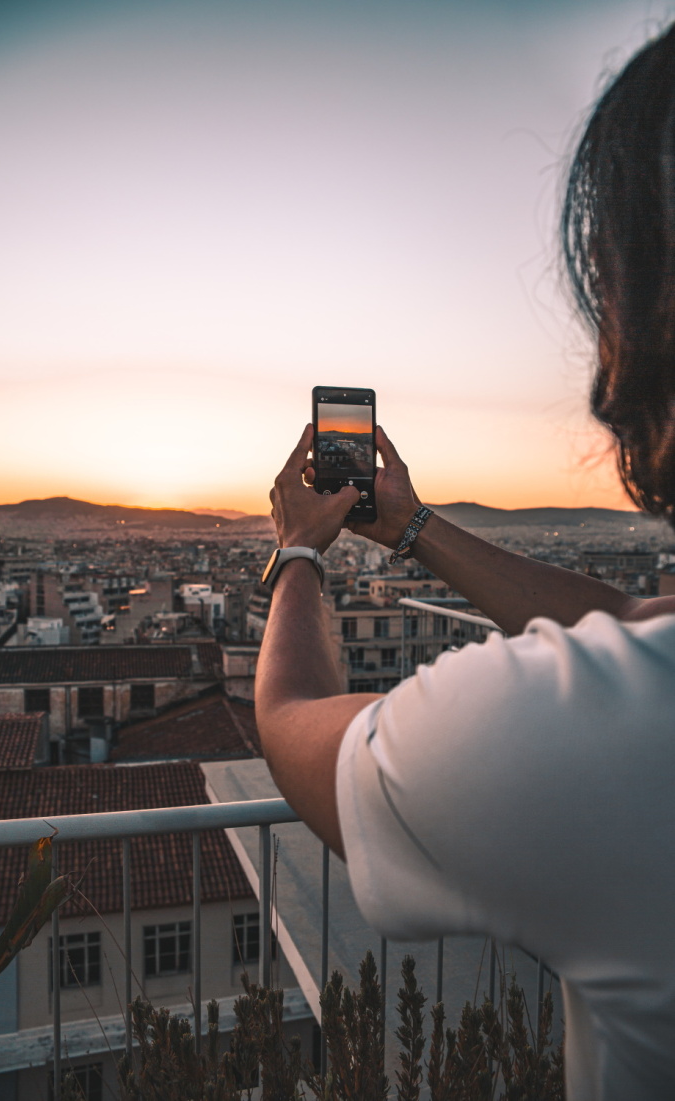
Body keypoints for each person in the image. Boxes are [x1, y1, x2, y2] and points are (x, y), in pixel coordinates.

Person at [255, 23, 675, 1101]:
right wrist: (408, 525)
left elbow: (296, 727)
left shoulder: (591, 737)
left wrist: (296, 555)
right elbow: (628, 621)